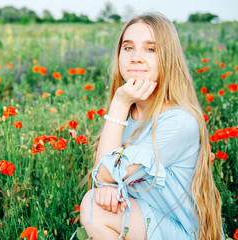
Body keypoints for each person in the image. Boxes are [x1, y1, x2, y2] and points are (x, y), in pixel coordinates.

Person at [79, 12, 224, 240]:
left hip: (182, 232)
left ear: (167, 57)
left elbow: (105, 173)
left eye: (150, 49)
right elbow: (103, 177)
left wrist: (118, 103)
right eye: (128, 48)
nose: (136, 57)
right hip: (144, 218)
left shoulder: (178, 121)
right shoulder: (131, 112)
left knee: (93, 208)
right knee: (97, 203)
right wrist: (109, 185)